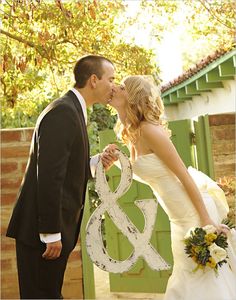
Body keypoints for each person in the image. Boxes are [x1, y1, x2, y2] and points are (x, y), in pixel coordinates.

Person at [107, 75, 236, 300]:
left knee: (200, 275)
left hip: (193, 211)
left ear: (133, 96)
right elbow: (146, 173)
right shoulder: (133, 133)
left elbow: (184, 177)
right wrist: (118, 159)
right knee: (189, 274)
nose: (114, 89)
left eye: (121, 87)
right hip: (178, 216)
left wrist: (205, 219)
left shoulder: (150, 131)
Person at [6, 55, 118, 299]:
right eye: (111, 79)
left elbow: (65, 169)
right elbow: (48, 176)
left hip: (49, 231)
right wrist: (51, 233)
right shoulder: (63, 112)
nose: (114, 85)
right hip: (41, 233)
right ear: (94, 80)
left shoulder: (74, 110)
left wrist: (97, 163)